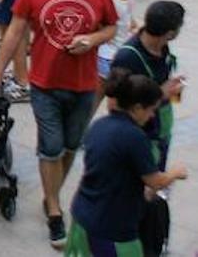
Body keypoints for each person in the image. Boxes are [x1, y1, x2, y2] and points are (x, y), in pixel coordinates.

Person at [0, 0, 118, 249]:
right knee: (51, 147)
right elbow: (15, 31)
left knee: (70, 147)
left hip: (84, 85)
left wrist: (92, 39)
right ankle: (54, 211)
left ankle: (51, 193)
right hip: (45, 83)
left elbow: (111, 27)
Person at [65, 71, 188, 256]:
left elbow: (115, 175)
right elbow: (155, 182)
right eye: (151, 109)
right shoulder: (133, 137)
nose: (153, 116)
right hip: (111, 230)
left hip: (82, 217)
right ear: (137, 108)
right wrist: (174, 173)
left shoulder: (100, 125)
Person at [110, 0, 184, 170]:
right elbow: (115, 107)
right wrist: (160, 94)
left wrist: (173, 92)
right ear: (170, 33)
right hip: (139, 139)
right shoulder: (127, 58)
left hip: (161, 132)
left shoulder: (163, 48)